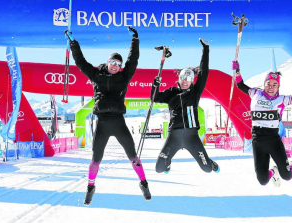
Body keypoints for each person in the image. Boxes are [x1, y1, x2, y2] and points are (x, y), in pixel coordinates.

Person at [65, 27, 151, 205]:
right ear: (108, 62)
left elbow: (133, 60)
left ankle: (143, 183)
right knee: (95, 160)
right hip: (102, 123)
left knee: (133, 157)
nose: (115, 66)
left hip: (119, 122)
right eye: (113, 62)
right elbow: (81, 62)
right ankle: (90, 187)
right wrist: (73, 44)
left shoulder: (124, 77)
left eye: (118, 64)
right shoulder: (96, 75)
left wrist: (135, 39)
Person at [151, 38, 219, 174]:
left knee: (207, 169)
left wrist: (205, 50)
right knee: (159, 169)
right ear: (179, 79)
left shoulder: (195, 92)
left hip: (191, 136)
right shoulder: (172, 92)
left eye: (188, 79)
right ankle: (168, 163)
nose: (185, 81)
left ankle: (210, 162)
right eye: (182, 78)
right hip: (174, 136)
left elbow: (204, 72)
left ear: (192, 81)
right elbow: (155, 98)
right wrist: (155, 86)